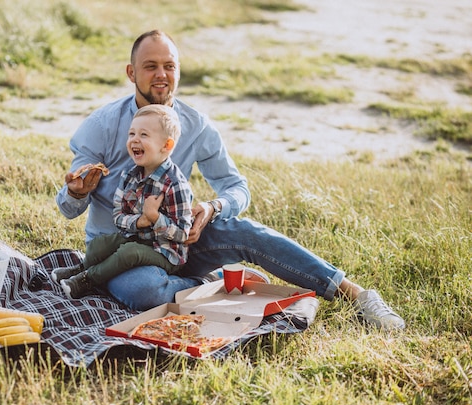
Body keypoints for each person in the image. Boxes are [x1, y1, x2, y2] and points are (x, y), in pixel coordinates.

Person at [56, 30, 405, 330]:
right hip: (120, 248)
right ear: (132, 73)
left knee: (248, 231)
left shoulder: (197, 126)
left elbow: (237, 188)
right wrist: (76, 192)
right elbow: (68, 208)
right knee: (143, 291)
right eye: (150, 66)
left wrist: (212, 207)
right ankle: (218, 281)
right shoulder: (102, 125)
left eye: (169, 66)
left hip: (178, 242)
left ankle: (356, 295)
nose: (161, 74)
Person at [52, 104, 193, 299]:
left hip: (167, 252)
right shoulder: (129, 175)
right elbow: (118, 216)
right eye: (131, 133)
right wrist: (140, 222)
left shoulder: (175, 185)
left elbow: (183, 233)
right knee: (100, 245)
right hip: (138, 237)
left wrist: (155, 217)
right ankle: (81, 268)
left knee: (129, 252)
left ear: (166, 145)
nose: (135, 139)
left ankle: (87, 281)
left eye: (144, 135)